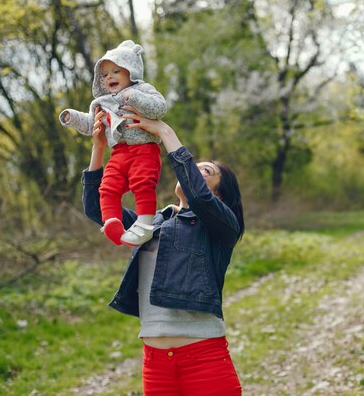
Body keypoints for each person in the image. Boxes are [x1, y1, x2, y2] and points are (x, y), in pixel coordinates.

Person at [81, 106, 245, 396]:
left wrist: (164, 131)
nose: (192, 171)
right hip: (155, 363)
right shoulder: (152, 223)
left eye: (204, 171)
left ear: (219, 196)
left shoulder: (222, 227)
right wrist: (99, 148)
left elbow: (199, 196)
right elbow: (98, 208)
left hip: (204, 357)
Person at [60, 40, 167, 247]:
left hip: (144, 149)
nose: (109, 76)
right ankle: (112, 221)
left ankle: (144, 223)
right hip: (118, 153)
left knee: (142, 183)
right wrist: (71, 117)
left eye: (116, 71)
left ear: (131, 71)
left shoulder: (142, 89)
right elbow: (91, 124)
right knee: (107, 187)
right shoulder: (101, 102)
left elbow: (159, 108)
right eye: (105, 74)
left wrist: (134, 97)